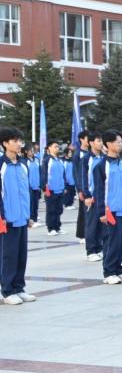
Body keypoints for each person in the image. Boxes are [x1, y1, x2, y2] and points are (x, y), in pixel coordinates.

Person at [93, 130, 122, 285]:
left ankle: (118, 270)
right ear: (108, 144)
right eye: (117, 141)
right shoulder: (101, 166)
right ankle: (109, 272)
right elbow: (99, 191)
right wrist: (101, 212)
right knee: (111, 242)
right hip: (110, 211)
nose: (120, 144)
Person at [0, 127, 35, 305]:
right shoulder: (2, 165)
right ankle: (7, 290)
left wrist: (29, 215)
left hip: (22, 217)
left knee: (21, 255)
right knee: (9, 256)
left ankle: (19, 287)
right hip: (7, 219)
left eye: (20, 140)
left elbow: (25, 192)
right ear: (5, 143)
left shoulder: (22, 165)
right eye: (15, 141)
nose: (19, 144)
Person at [82, 132, 106, 262]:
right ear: (91, 143)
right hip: (91, 197)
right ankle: (91, 251)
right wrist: (86, 195)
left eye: (102, 141)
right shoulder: (86, 158)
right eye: (98, 141)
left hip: (102, 196)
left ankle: (99, 248)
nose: (101, 143)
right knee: (92, 224)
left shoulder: (104, 157)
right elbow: (83, 177)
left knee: (101, 224)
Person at [43, 141, 66, 235]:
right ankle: (51, 228)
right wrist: (44, 188)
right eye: (55, 146)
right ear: (49, 148)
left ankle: (57, 227)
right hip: (50, 190)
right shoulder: (47, 160)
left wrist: (64, 186)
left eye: (58, 146)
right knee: (51, 210)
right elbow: (43, 174)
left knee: (59, 210)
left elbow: (63, 174)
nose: (57, 148)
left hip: (60, 189)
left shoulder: (60, 160)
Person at [74, 131, 90, 243]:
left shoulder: (90, 153)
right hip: (82, 187)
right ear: (81, 139)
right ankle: (82, 235)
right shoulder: (78, 154)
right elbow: (76, 173)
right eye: (87, 138)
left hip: (90, 186)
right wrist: (79, 189)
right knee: (83, 212)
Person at [26, 145, 40, 228]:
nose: (32, 152)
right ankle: (30, 220)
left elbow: (39, 171)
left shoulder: (36, 160)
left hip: (36, 185)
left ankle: (35, 219)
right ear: (26, 152)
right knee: (30, 204)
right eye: (30, 150)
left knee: (36, 204)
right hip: (29, 186)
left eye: (32, 151)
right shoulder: (25, 161)